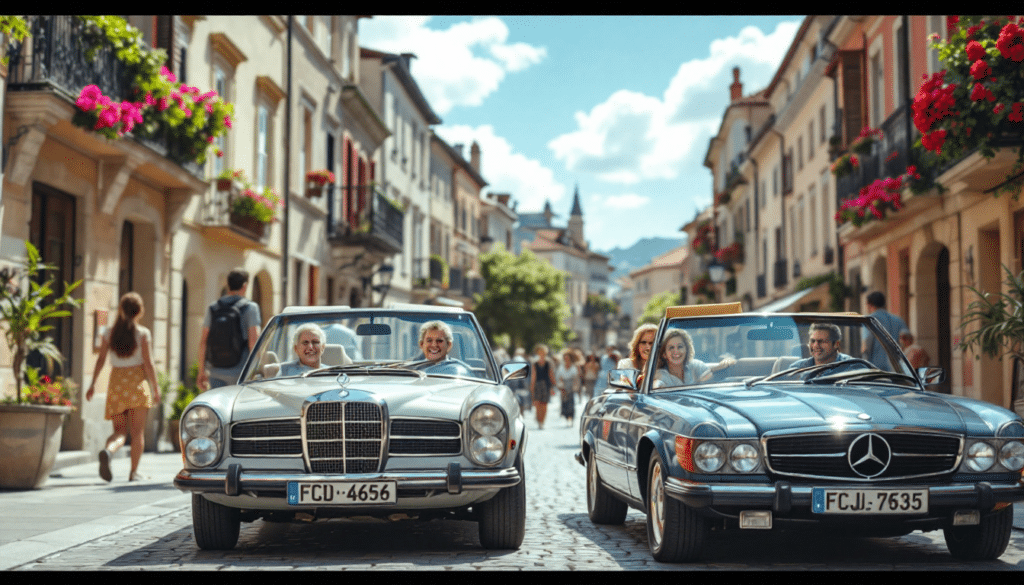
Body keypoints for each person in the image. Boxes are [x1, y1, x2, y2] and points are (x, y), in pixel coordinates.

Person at [86, 292, 160, 482]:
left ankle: (109, 451)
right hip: (137, 384)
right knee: (137, 433)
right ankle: (134, 473)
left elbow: (101, 359)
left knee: (119, 431)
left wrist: (93, 384)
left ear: (120, 309)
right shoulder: (142, 333)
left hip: (116, 383)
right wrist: (156, 387)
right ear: (140, 311)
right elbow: (148, 363)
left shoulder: (108, 333)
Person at [197, 269, 262, 391]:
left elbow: (203, 342)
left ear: (228, 285)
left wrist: (201, 372)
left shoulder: (213, 308)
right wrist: (257, 369)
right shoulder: (250, 308)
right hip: (240, 372)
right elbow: (254, 342)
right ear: (245, 286)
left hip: (215, 371)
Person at [652, 329, 735, 388]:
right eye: (671, 348)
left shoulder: (695, 365)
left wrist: (727, 362)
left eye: (680, 346)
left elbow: (711, 375)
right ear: (664, 354)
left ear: (687, 350)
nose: (676, 351)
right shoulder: (660, 374)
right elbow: (657, 385)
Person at [861, 291, 907, 371]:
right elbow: (907, 338)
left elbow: (866, 345)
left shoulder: (869, 320)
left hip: (875, 369)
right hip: (895, 369)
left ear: (869, 305)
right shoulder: (898, 320)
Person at [529, 344, 556, 430]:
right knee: (537, 404)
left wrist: (553, 386)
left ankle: (542, 421)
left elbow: (551, 375)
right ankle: (539, 420)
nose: (541, 354)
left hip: (546, 385)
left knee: (544, 404)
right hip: (537, 385)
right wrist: (532, 387)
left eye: (543, 352)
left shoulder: (548, 363)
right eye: (540, 352)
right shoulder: (535, 363)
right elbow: (533, 376)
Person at [556, 350, 580, 426]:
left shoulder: (573, 367)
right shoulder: (561, 366)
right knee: (564, 402)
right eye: (565, 358)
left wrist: (575, 386)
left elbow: (575, 377)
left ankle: (571, 418)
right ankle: (567, 418)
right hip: (563, 385)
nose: (566, 359)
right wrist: (560, 385)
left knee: (571, 403)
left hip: (571, 385)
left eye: (568, 358)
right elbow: (559, 377)